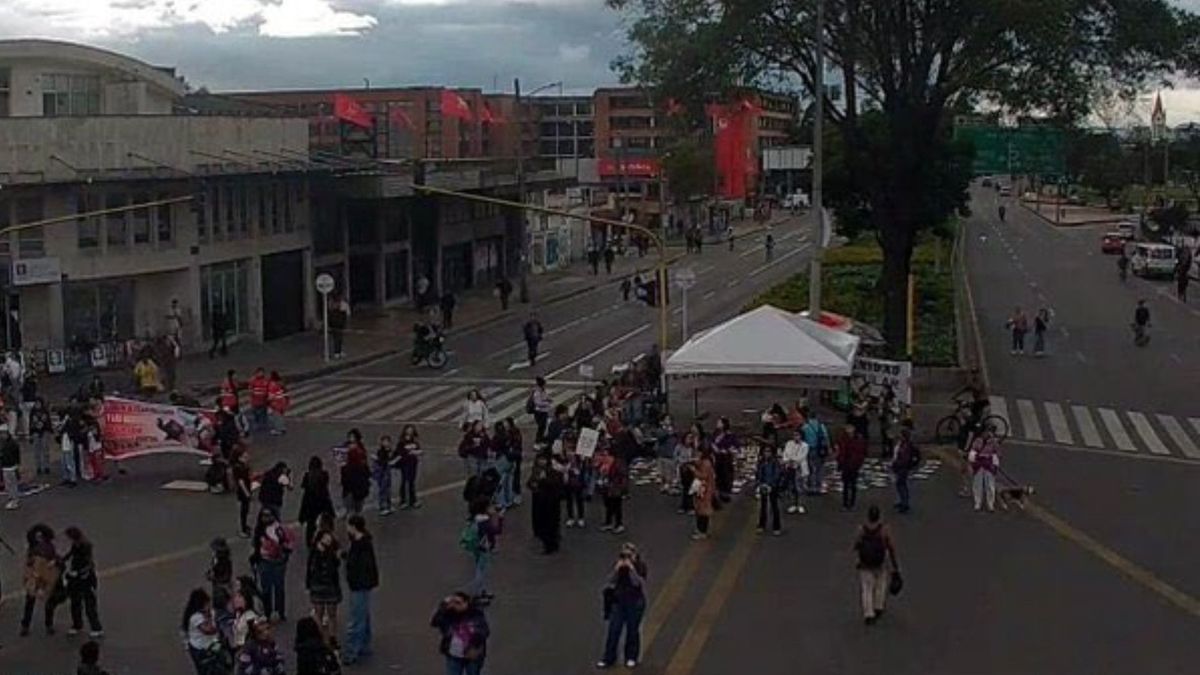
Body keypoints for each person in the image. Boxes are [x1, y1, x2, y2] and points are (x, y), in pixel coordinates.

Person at [597, 543, 648, 669]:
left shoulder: (640, 566)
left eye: (628, 555)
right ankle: (609, 658)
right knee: (613, 630)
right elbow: (610, 581)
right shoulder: (619, 566)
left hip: (635, 603)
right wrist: (617, 570)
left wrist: (631, 569)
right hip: (618, 602)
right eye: (624, 555)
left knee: (632, 630)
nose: (626, 558)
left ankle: (631, 657)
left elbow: (638, 583)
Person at [342, 515, 379, 665]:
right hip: (363, 584)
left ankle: (352, 651)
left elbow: (359, 566)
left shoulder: (359, 545)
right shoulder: (362, 542)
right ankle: (365, 644)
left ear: (353, 526)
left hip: (359, 584)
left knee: (356, 617)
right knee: (364, 614)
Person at [854, 505, 898, 625]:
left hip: (865, 563)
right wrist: (895, 565)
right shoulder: (884, 530)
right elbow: (891, 547)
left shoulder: (862, 529)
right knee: (881, 584)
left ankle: (868, 613)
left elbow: (856, 545)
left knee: (867, 588)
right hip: (880, 562)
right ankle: (878, 605)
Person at [250, 509, 294, 623]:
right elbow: (255, 546)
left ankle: (280, 611)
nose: (266, 518)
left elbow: (288, 544)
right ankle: (268, 612)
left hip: (278, 562)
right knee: (266, 589)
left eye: (268, 515)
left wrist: (283, 555)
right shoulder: (259, 530)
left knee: (279, 588)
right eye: (264, 516)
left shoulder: (279, 529)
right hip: (264, 562)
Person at [431, 592, 490, 675]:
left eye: (458, 603)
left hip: (472, 656)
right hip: (454, 655)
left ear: (466, 603)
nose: (455, 605)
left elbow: (484, 631)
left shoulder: (476, 614)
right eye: (453, 602)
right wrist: (443, 606)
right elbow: (435, 622)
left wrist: (473, 645)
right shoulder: (448, 614)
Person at [20, 523, 59, 636]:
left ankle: (48, 624)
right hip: (35, 575)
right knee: (30, 601)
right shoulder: (34, 548)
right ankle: (26, 625)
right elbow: (29, 562)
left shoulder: (48, 546)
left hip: (45, 575)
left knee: (48, 602)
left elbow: (53, 559)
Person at [183, 588, 229, 675]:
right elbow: (208, 630)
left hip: (212, 643)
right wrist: (210, 619)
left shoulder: (211, 612)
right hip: (201, 648)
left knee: (219, 657)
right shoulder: (196, 617)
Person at [461, 498, 500, 599]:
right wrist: (496, 517)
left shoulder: (476, 519)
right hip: (484, 547)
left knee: (479, 567)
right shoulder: (485, 521)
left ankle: (482, 590)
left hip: (477, 546)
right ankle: (476, 592)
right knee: (482, 571)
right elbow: (495, 530)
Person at [306, 528, 342, 632]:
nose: (328, 540)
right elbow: (310, 569)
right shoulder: (314, 552)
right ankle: (320, 638)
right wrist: (308, 584)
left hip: (330, 585)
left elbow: (336, 565)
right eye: (326, 538)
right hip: (318, 585)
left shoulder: (332, 551)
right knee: (319, 614)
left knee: (331, 614)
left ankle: (332, 638)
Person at [527, 454, 564, 553]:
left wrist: (543, 480)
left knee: (551, 525)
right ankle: (548, 543)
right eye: (540, 459)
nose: (541, 462)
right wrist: (533, 485)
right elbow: (530, 482)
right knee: (544, 524)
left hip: (551, 502)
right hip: (541, 501)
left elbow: (556, 484)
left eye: (543, 459)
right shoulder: (536, 470)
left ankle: (551, 545)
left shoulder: (553, 472)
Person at [299, 456, 336, 546]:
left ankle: (310, 542)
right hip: (322, 502)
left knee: (310, 525)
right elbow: (325, 488)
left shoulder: (307, 476)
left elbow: (304, 487)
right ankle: (326, 541)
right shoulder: (324, 474)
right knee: (325, 522)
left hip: (310, 502)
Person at [968, 426, 1002, 512]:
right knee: (977, 484)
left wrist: (994, 461)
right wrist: (973, 460)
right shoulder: (977, 441)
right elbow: (973, 451)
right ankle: (977, 503)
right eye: (986, 432)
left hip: (989, 465)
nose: (988, 434)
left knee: (990, 485)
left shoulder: (994, 442)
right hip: (979, 464)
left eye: (990, 432)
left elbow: (999, 453)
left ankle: (990, 504)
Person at [835, 425, 868, 510]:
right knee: (846, 485)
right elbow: (840, 452)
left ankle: (852, 504)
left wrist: (858, 463)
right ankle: (845, 504)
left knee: (853, 485)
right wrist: (840, 462)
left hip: (854, 465)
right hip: (846, 465)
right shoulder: (843, 439)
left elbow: (861, 453)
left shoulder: (858, 440)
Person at [596, 450, 628, 535]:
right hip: (606, 488)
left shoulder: (618, 464)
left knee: (617, 506)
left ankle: (619, 524)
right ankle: (608, 522)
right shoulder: (602, 464)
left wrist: (623, 489)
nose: (604, 458)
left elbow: (623, 477)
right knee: (608, 506)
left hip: (615, 488)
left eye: (605, 456)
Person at [755, 444, 783, 535]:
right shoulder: (761, 462)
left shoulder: (775, 462)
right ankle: (761, 525)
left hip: (773, 487)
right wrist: (760, 484)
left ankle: (776, 527)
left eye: (769, 451)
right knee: (763, 507)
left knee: (774, 506)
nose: (767, 453)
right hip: (763, 486)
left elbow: (777, 475)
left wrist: (771, 485)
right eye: (765, 451)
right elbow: (758, 474)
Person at [891, 426, 920, 513]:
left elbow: (903, 459)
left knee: (901, 485)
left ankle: (904, 504)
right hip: (903, 467)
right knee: (901, 485)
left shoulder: (906, 446)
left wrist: (896, 465)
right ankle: (902, 501)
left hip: (902, 468)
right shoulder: (904, 444)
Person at [801, 410, 830, 495]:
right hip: (820, 450)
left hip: (809, 449)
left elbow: (802, 439)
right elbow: (826, 438)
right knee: (819, 469)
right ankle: (818, 486)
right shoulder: (821, 426)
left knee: (811, 468)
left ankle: (811, 487)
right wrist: (828, 448)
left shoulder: (805, 427)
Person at [690, 449, 717, 540]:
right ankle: (700, 529)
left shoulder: (706, 463)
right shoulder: (704, 462)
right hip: (702, 489)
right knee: (700, 510)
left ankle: (702, 531)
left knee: (703, 512)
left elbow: (703, 476)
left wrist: (694, 470)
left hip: (704, 490)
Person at [711, 417, 738, 502]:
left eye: (719, 422)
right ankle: (718, 492)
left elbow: (735, 445)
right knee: (717, 475)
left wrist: (728, 450)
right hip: (716, 458)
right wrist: (714, 447)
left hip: (726, 459)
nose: (717, 424)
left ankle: (725, 493)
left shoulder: (729, 435)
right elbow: (711, 442)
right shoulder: (715, 434)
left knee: (726, 475)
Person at [341, 444, 371, 518]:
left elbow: (344, 481)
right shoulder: (363, 466)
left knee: (351, 512)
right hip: (360, 492)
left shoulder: (346, 468)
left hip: (349, 492)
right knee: (358, 511)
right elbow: (368, 475)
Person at [397, 424, 423, 509]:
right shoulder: (401, 441)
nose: (410, 432)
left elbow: (419, 449)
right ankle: (403, 501)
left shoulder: (414, 441)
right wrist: (409, 453)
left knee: (411, 482)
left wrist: (417, 452)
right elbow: (399, 452)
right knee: (404, 481)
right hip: (405, 464)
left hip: (413, 463)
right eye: (408, 430)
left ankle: (413, 500)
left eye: (411, 430)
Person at [373, 434, 396, 516]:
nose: (386, 443)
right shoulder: (381, 451)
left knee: (388, 489)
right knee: (383, 489)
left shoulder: (390, 451)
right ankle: (382, 506)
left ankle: (388, 505)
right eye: (384, 441)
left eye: (387, 441)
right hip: (382, 472)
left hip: (387, 471)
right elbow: (381, 461)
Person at [28, 397, 51, 476]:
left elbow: (48, 422)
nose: (37, 405)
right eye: (36, 403)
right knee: (36, 451)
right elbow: (30, 424)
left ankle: (46, 466)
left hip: (44, 431)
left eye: (39, 403)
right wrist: (30, 433)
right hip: (35, 432)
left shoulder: (45, 411)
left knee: (45, 449)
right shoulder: (32, 412)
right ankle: (38, 467)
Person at [1, 423, 20, 509]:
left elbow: (17, 454)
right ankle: (11, 498)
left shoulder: (12, 443)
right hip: (4, 466)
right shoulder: (1, 443)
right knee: (8, 484)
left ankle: (15, 499)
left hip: (11, 466)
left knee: (13, 484)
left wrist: (17, 464)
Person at [327, 294, 350, 359]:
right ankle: (337, 352)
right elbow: (346, 314)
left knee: (337, 338)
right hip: (338, 324)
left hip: (335, 323)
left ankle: (338, 351)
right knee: (338, 338)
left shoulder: (331, 304)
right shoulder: (342, 304)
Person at [248, 368, 269, 434]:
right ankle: (257, 424)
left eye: (262, 372)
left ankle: (263, 424)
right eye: (259, 372)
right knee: (256, 413)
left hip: (263, 400)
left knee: (263, 413)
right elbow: (250, 390)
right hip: (255, 400)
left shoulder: (266, 380)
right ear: (256, 373)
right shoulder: (253, 380)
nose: (261, 374)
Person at [529, 377, 552, 441]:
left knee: (543, 426)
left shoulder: (543, 391)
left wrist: (548, 399)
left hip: (544, 411)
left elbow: (545, 397)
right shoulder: (537, 392)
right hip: (539, 412)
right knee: (541, 427)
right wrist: (547, 403)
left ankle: (541, 438)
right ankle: (538, 440)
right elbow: (538, 403)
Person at [266, 371, 288, 436]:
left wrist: (267, 401)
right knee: (280, 416)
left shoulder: (272, 384)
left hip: (275, 402)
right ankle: (282, 428)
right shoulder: (280, 383)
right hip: (282, 401)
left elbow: (271, 395)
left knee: (275, 417)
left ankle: (278, 430)